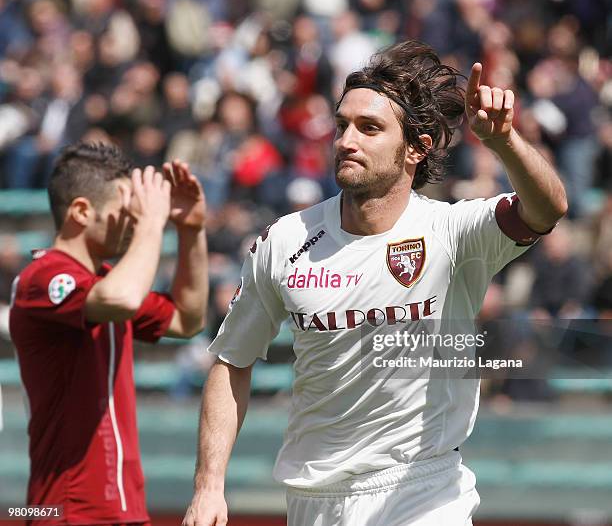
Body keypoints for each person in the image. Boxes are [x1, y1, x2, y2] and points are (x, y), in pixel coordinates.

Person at [182, 40, 567, 526]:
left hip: (424, 490)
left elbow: (547, 208)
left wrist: (504, 142)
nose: (347, 140)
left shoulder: (454, 232)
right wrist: (208, 486)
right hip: (314, 499)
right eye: (342, 125)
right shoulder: (285, 240)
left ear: (416, 149)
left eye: (369, 128)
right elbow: (232, 360)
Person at [9, 141, 208, 525]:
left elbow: (187, 318)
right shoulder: (44, 276)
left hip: (124, 510)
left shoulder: (105, 283)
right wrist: (152, 223)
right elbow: (122, 298)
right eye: (126, 209)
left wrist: (190, 229)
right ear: (82, 211)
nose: (134, 219)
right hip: (66, 511)